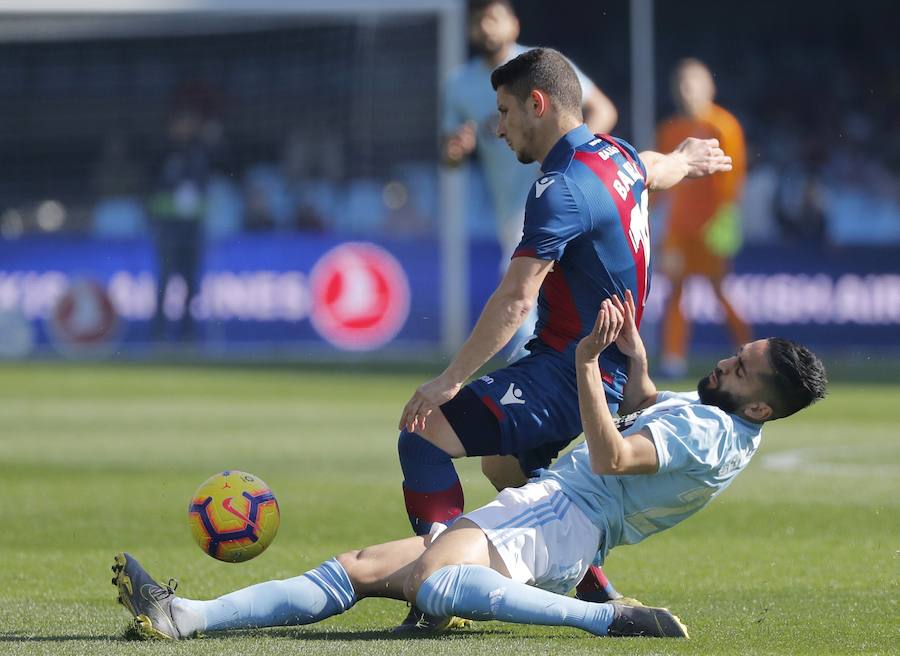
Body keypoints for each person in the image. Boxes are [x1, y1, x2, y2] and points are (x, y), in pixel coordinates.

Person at [111, 291, 827, 641]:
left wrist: (583, 365)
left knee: (438, 581)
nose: (724, 363)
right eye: (737, 354)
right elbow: (644, 412)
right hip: (553, 515)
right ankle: (185, 617)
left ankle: (607, 619)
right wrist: (635, 367)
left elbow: (612, 453)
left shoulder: (712, 432)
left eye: (739, 369)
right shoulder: (716, 418)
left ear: (759, 407)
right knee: (360, 565)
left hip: (563, 515)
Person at [398, 46, 732, 620]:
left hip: (573, 370)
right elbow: (656, 167)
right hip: (597, 365)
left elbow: (516, 297)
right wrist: (685, 157)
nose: (498, 130)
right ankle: (592, 584)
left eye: (504, 112)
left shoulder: (561, 187)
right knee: (505, 467)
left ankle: (444, 578)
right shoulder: (615, 154)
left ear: (538, 102)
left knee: (423, 432)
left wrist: (450, 380)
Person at [443, 0, 618, 358]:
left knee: (522, 295)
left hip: (563, 197)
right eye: (478, 20)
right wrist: (456, 150)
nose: (486, 27)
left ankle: (531, 377)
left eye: (494, 17)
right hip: (513, 208)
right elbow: (450, 157)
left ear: (514, 24)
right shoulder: (459, 85)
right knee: (543, 295)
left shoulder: (543, 66)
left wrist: (565, 158)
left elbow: (604, 110)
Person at [656, 58, 750, 378]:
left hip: (711, 229)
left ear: (709, 87)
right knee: (675, 292)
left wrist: (725, 223)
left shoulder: (723, 126)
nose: (686, 90)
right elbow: (663, 178)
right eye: (681, 84)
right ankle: (673, 357)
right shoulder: (669, 129)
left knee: (720, 291)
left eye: (692, 83)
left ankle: (748, 350)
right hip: (678, 230)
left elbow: (732, 179)